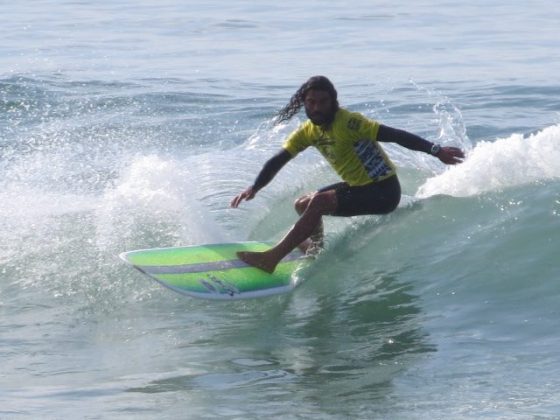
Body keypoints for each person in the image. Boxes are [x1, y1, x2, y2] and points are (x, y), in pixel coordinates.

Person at [230, 76, 464, 273]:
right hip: (357, 186)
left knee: (319, 202)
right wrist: (255, 187)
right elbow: (279, 160)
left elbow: (396, 135)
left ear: (333, 102)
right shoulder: (308, 131)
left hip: (383, 191)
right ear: (304, 103)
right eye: (311, 102)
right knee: (303, 204)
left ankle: (271, 258)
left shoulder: (350, 123)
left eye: (323, 102)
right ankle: (315, 252)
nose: (317, 108)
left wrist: (437, 150)